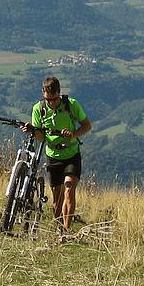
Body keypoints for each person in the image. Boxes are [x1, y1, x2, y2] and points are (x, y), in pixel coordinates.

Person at [26, 76, 91, 232]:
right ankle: (58, 229)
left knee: (69, 189)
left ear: (59, 94)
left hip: (71, 155)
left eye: (54, 100)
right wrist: (33, 131)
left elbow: (87, 126)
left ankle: (66, 231)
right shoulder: (38, 109)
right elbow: (41, 138)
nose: (51, 103)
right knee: (57, 199)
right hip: (53, 156)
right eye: (48, 100)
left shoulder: (71, 105)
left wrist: (73, 135)